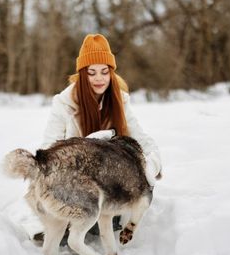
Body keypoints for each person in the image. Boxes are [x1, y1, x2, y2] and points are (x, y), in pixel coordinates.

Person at [30, 33, 162, 241]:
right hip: (76, 175)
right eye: (91, 73)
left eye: (104, 72)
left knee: (143, 191)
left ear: (111, 73)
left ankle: (103, 219)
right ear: (83, 75)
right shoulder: (64, 103)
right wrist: (86, 145)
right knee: (85, 214)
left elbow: (143, 139)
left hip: (111, 176)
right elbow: (47, 149)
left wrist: (151, 165)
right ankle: (64, 223)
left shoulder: (120, 100)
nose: (99, 78)